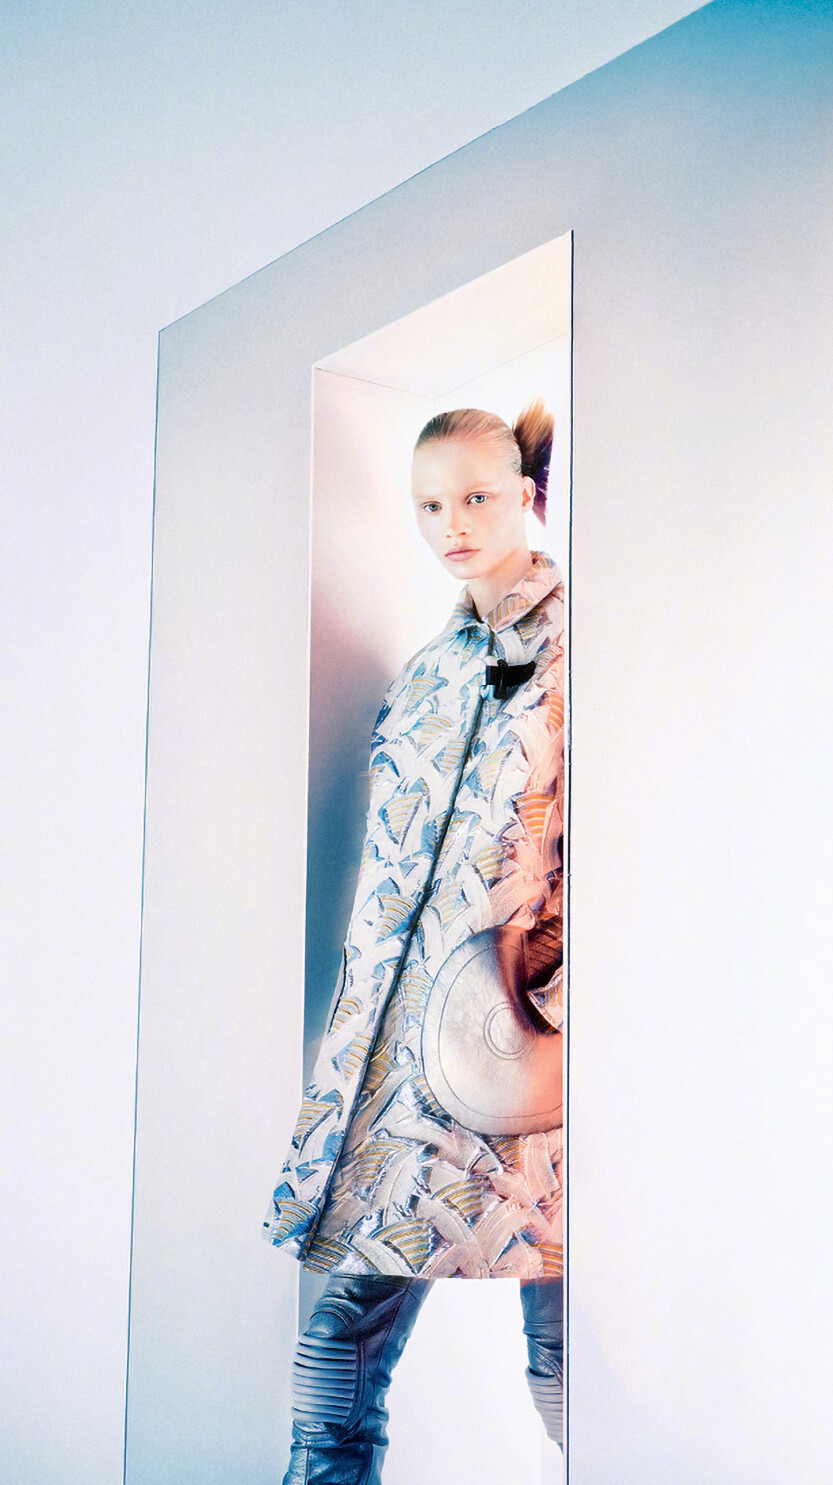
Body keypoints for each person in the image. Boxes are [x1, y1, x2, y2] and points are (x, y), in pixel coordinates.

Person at [263, 401, 566, 1484]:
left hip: (539, 1055)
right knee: (337, 1342)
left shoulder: (587, 645)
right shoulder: (430, 668)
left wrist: (554, 1005)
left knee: (571, 1352)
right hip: (405, 1060)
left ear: (527, 494)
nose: (453, 524)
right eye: (431, 505)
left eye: (476, 497)